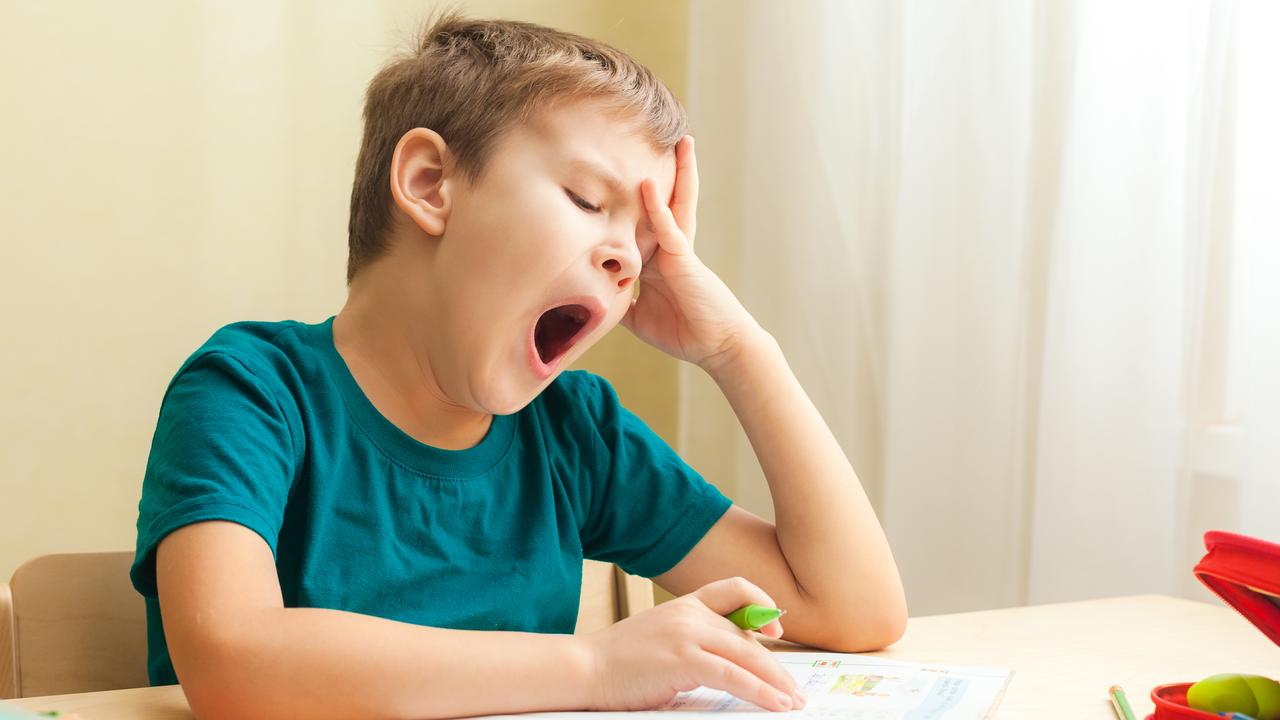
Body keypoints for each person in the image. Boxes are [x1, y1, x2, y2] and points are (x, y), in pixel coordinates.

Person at [130, 12, 906, 719]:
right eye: (586, 199)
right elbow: (232, 662)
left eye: (645, 245)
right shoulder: (250, 390)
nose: (624, 260)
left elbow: (855, 610)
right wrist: (592, 666)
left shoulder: (576, 433)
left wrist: (738, 350)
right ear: (431, 183)